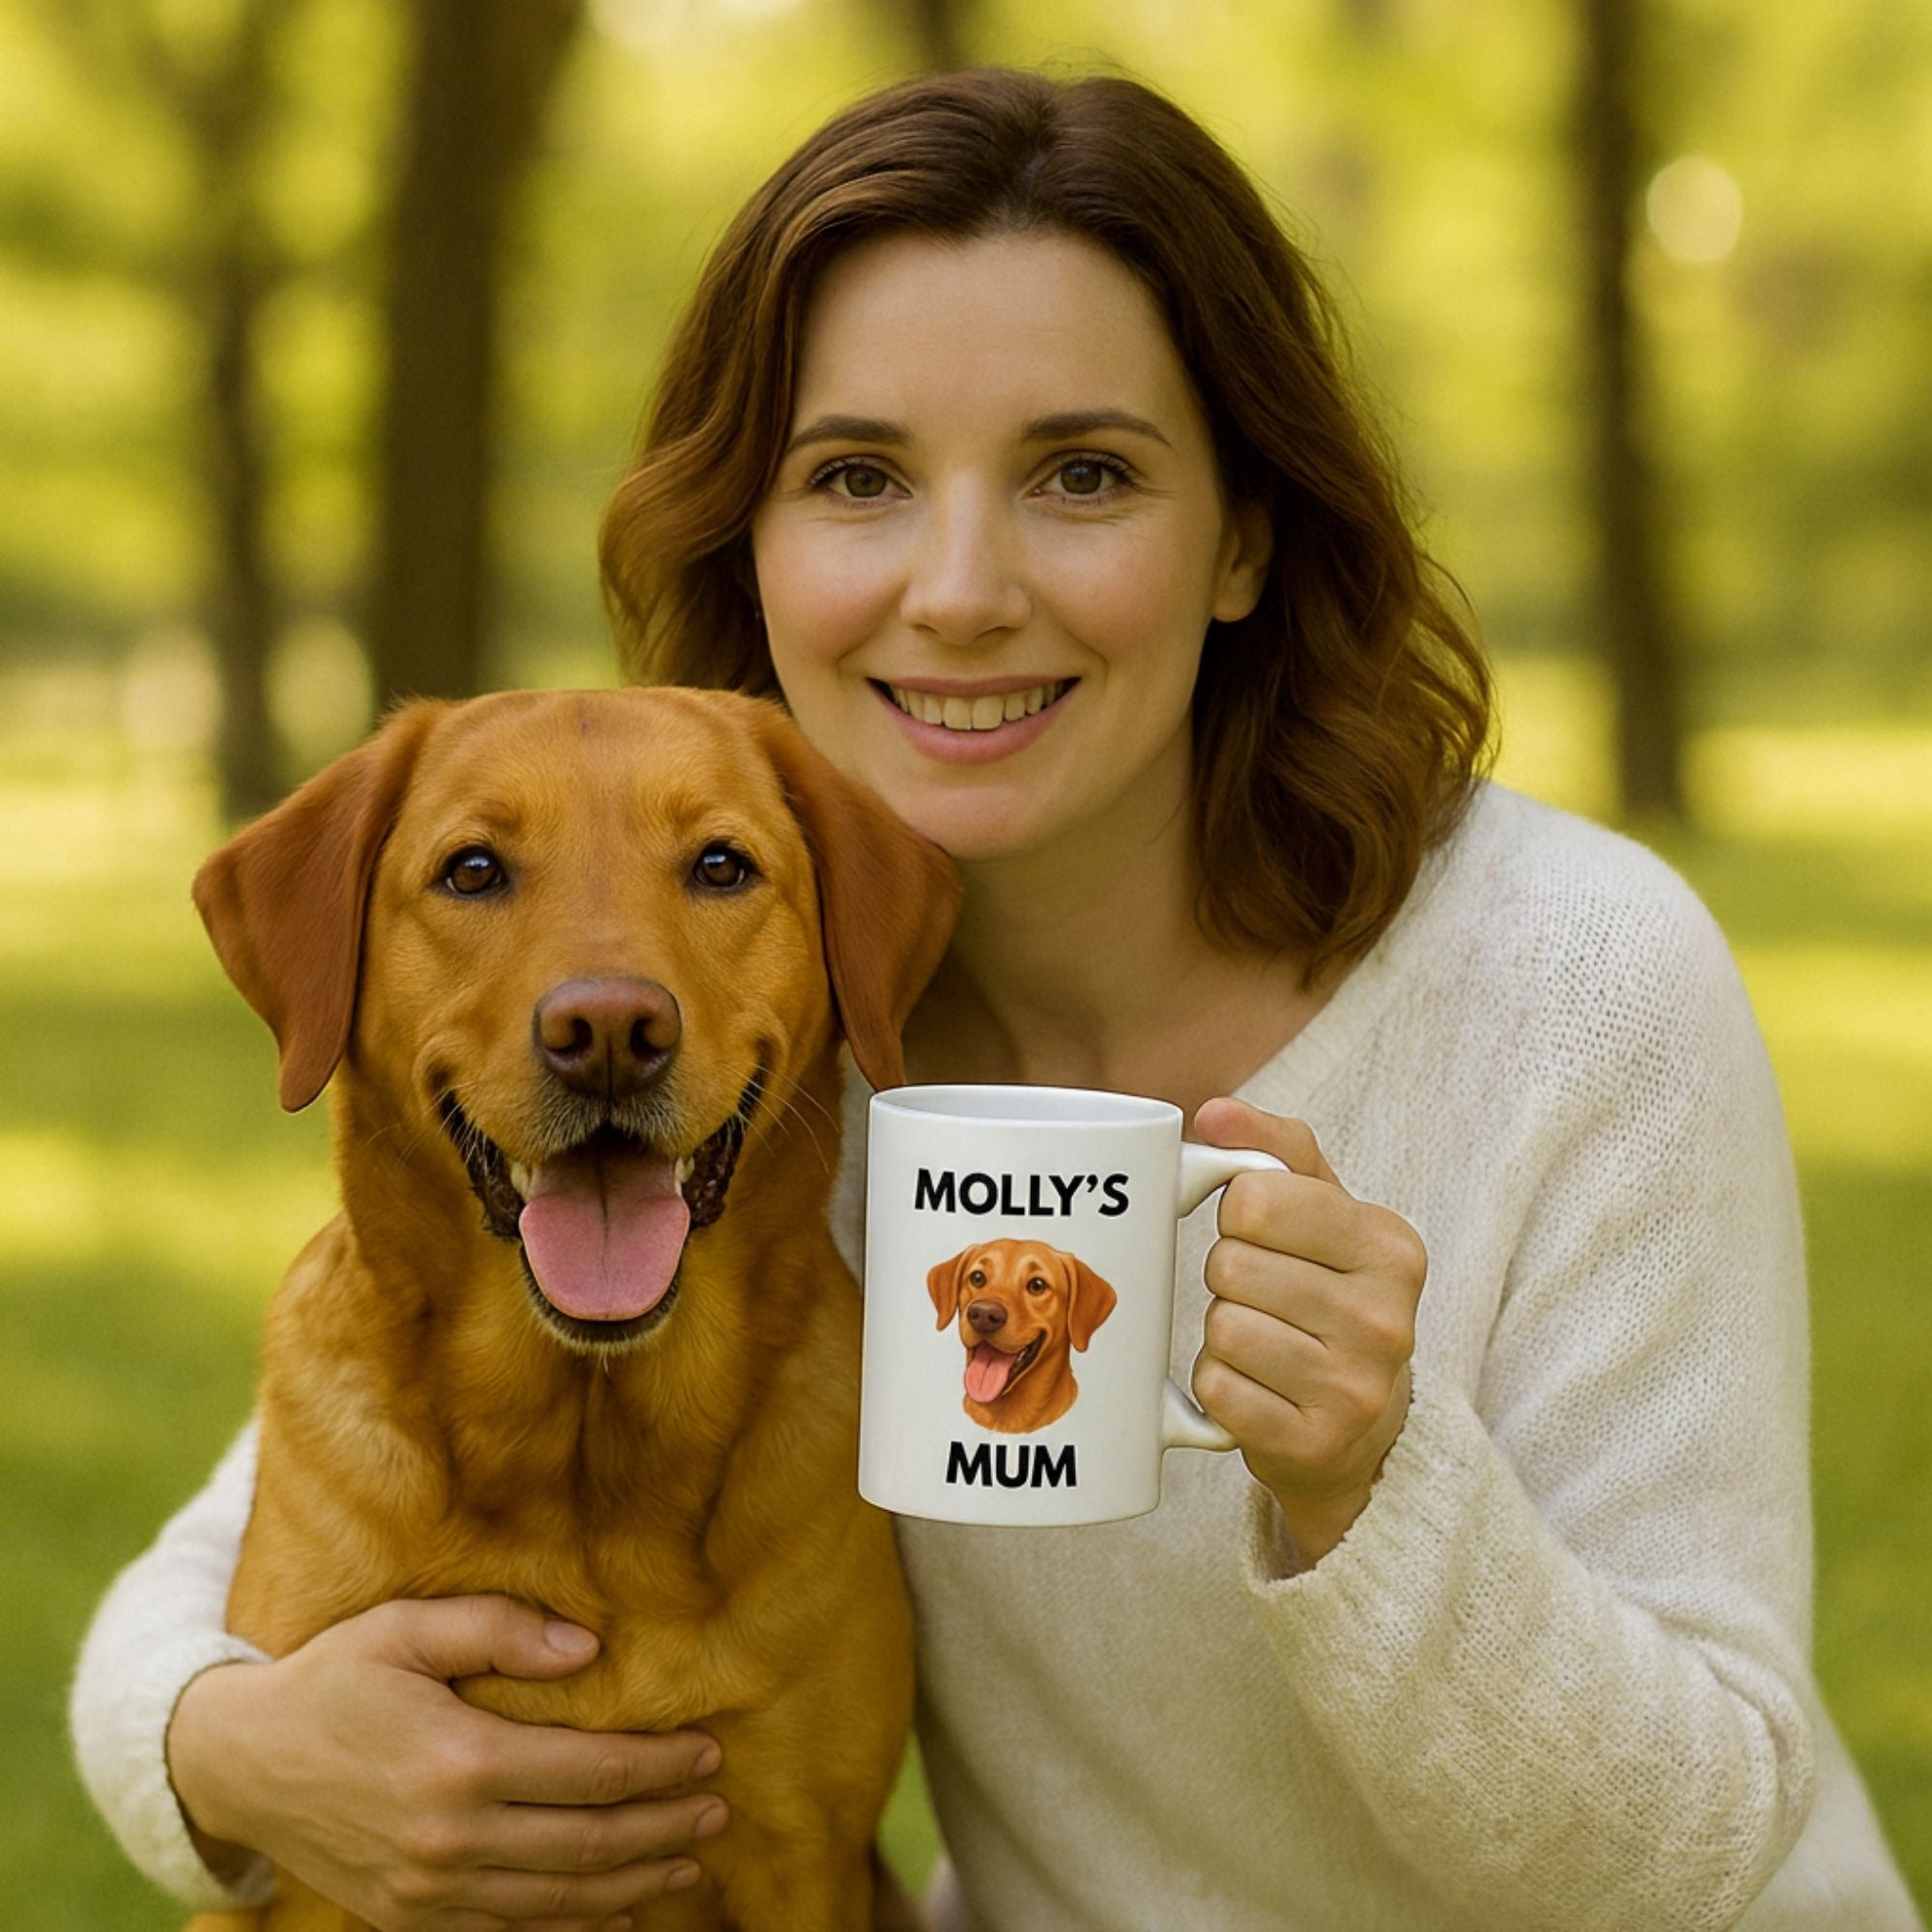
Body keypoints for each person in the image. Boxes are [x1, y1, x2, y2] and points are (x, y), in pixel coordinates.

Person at [71, 66, 1919, 1932]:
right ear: (753, 547)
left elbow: (1703, 1845)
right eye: (857, 478)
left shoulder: (1574, 985)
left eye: (1082, 474)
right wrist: (223, 1757)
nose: (960, 592)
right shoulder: (758, 1054)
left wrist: (1376, 1484)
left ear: (1246, 537)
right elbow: (256, 1535)